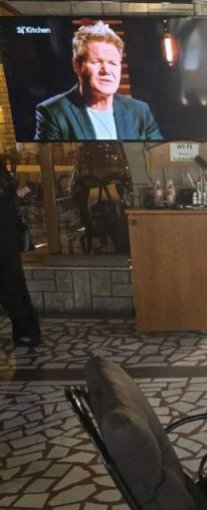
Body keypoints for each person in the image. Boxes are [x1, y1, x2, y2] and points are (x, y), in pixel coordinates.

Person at [34, 21, 162, 142]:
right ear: (77, 66)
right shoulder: (53, 112)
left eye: (112, 63)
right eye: (96, 62)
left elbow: (158, 152)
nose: (106, 70)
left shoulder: (139, 111)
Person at [0, 161, 41, 347]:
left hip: (4, 234)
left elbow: (7, 190)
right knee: (11, 283)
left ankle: (27, 331)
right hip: (5, 232)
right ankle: (26, 330)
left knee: (10, 283)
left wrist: (14, 192)